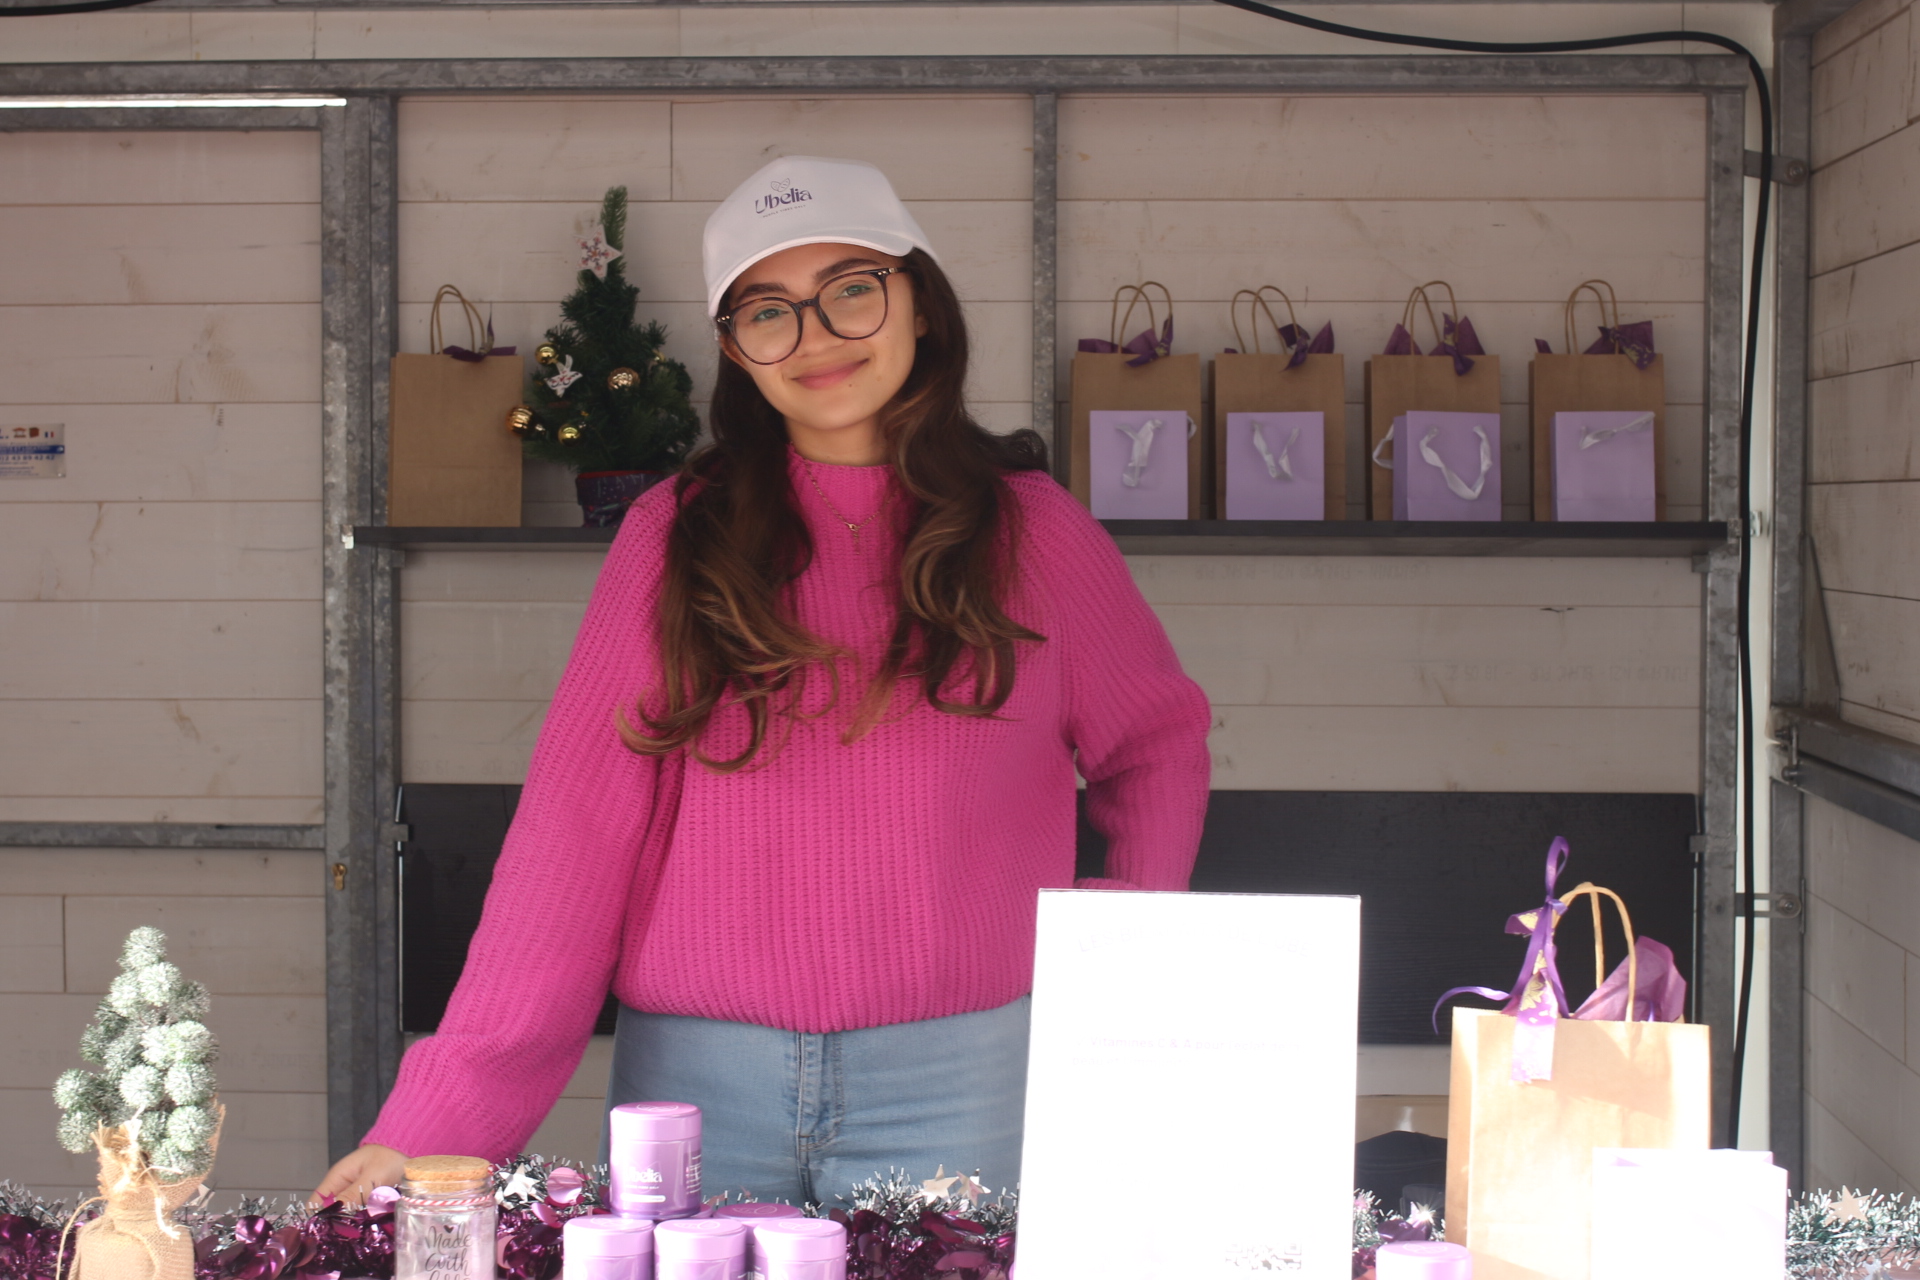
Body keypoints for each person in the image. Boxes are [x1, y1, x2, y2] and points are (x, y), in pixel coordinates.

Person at [313, 155, 1210, 1209]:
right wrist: (436, 1123)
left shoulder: (1037, 533)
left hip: (965, 1070)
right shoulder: (673, 538)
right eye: (767, 311)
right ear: (736, 350)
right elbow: (574, 833)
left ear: (919, 301)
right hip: (700, 1084)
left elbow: (1156, 744)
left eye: (852, 289)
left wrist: (1114, 952)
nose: (817, 335)